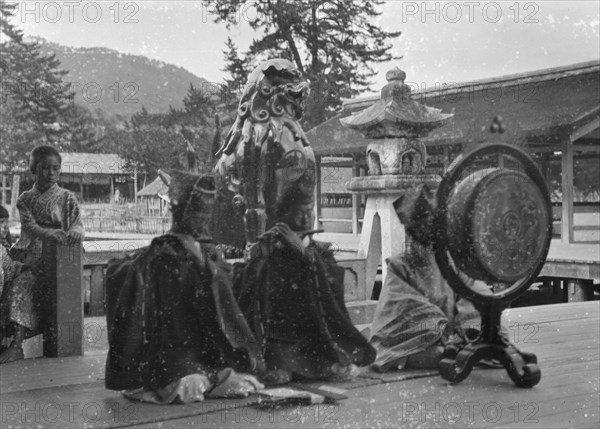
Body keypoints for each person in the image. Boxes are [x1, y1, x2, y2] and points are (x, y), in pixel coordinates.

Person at [105, 171, 265, 404]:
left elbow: (223, 296)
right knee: (190, 384)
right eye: (200, 211)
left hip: (202, 351)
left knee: (238, 381)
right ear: (181, 213)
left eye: (207, 212)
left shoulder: (201, 252)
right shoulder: (161, 255)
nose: (204, 219)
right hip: (171, 354)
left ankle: (206, 371)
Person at [233, 186, 377, 384]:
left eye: (310, 211)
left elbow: (332, 284)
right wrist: (262, 260)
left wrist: (305, 254)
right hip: (281, 337)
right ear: (283, 216)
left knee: (334, 367)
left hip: (315, 333)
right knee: (279, 374)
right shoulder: (268, 248)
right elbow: (248, 290)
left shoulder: (320, 251)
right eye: (299, 213)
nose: (306, 219)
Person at [368, 184, 487, 372]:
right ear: (410, 233)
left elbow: (474, 293)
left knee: (484, 338)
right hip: (417, 343)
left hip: (457, 337)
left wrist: (467, 327)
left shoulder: (452, 262)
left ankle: (460, 348)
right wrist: (440, 328)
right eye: (417, 231)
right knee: (437, 354)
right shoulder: (399, 266)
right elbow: (402, 309)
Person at [0, 145, 84, 363]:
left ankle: (17, 344)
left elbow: (78, 225)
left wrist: (74, 231)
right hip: (31, 256)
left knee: (23, 288)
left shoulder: (67, 198)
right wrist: (52, 233)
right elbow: (32, 228)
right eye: (45, 168)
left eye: (56, 168)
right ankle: (11, 342)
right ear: (33, 169)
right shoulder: (25, 199)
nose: (51, 173)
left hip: (58, 259)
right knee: (13, 283)